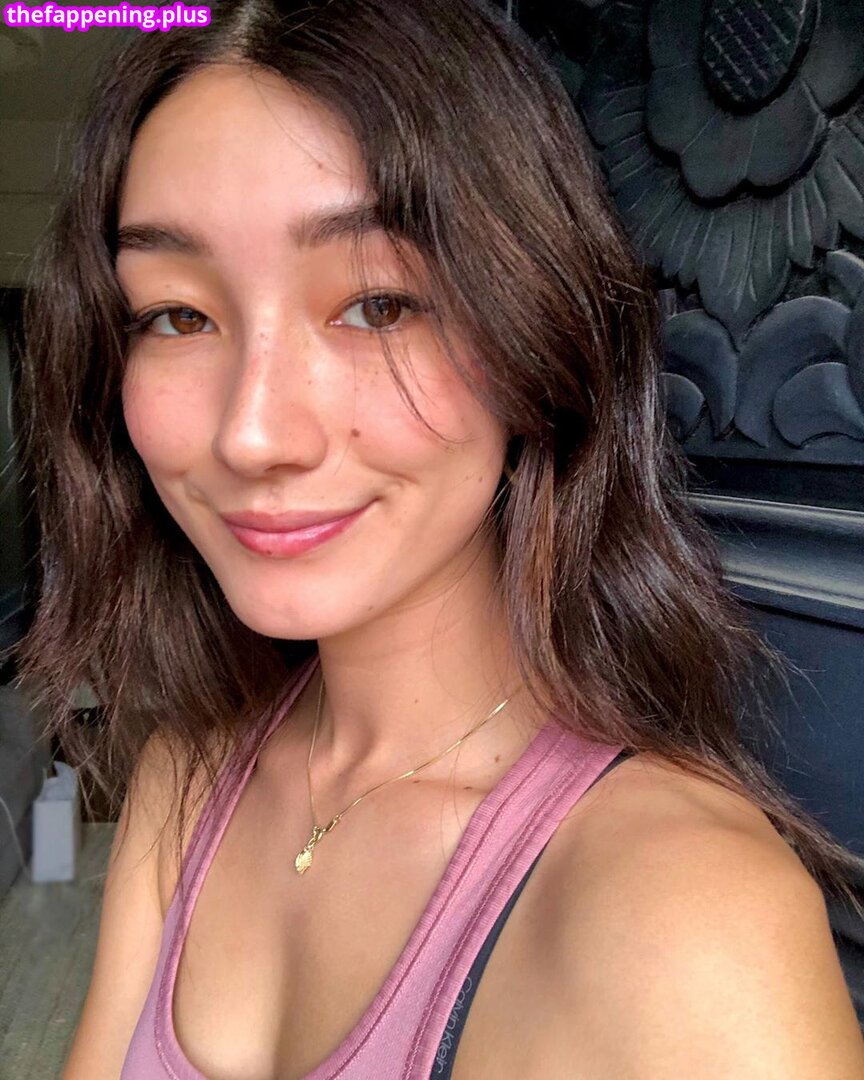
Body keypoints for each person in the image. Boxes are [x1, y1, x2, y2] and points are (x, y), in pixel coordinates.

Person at [12, 0, 864, 1076]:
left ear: (535, 334)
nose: (251, 434)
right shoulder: (185, 778)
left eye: (378, 304)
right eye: (178, 315)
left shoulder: (690, 923)